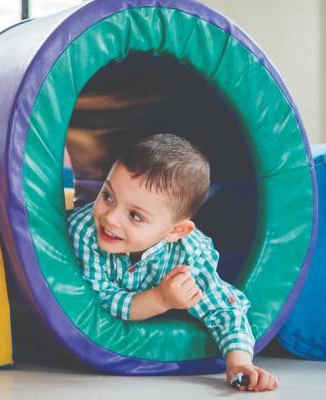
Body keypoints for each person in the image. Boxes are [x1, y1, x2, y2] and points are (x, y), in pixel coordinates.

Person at [70, 133, 276, 391]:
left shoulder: (188, 254)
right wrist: (161, 299)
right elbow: (100, 301)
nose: (111, 218)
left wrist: (239, 361)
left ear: (176, 231)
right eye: (108, 196)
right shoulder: (84, 231)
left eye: (135, 215)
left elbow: (223, 306)